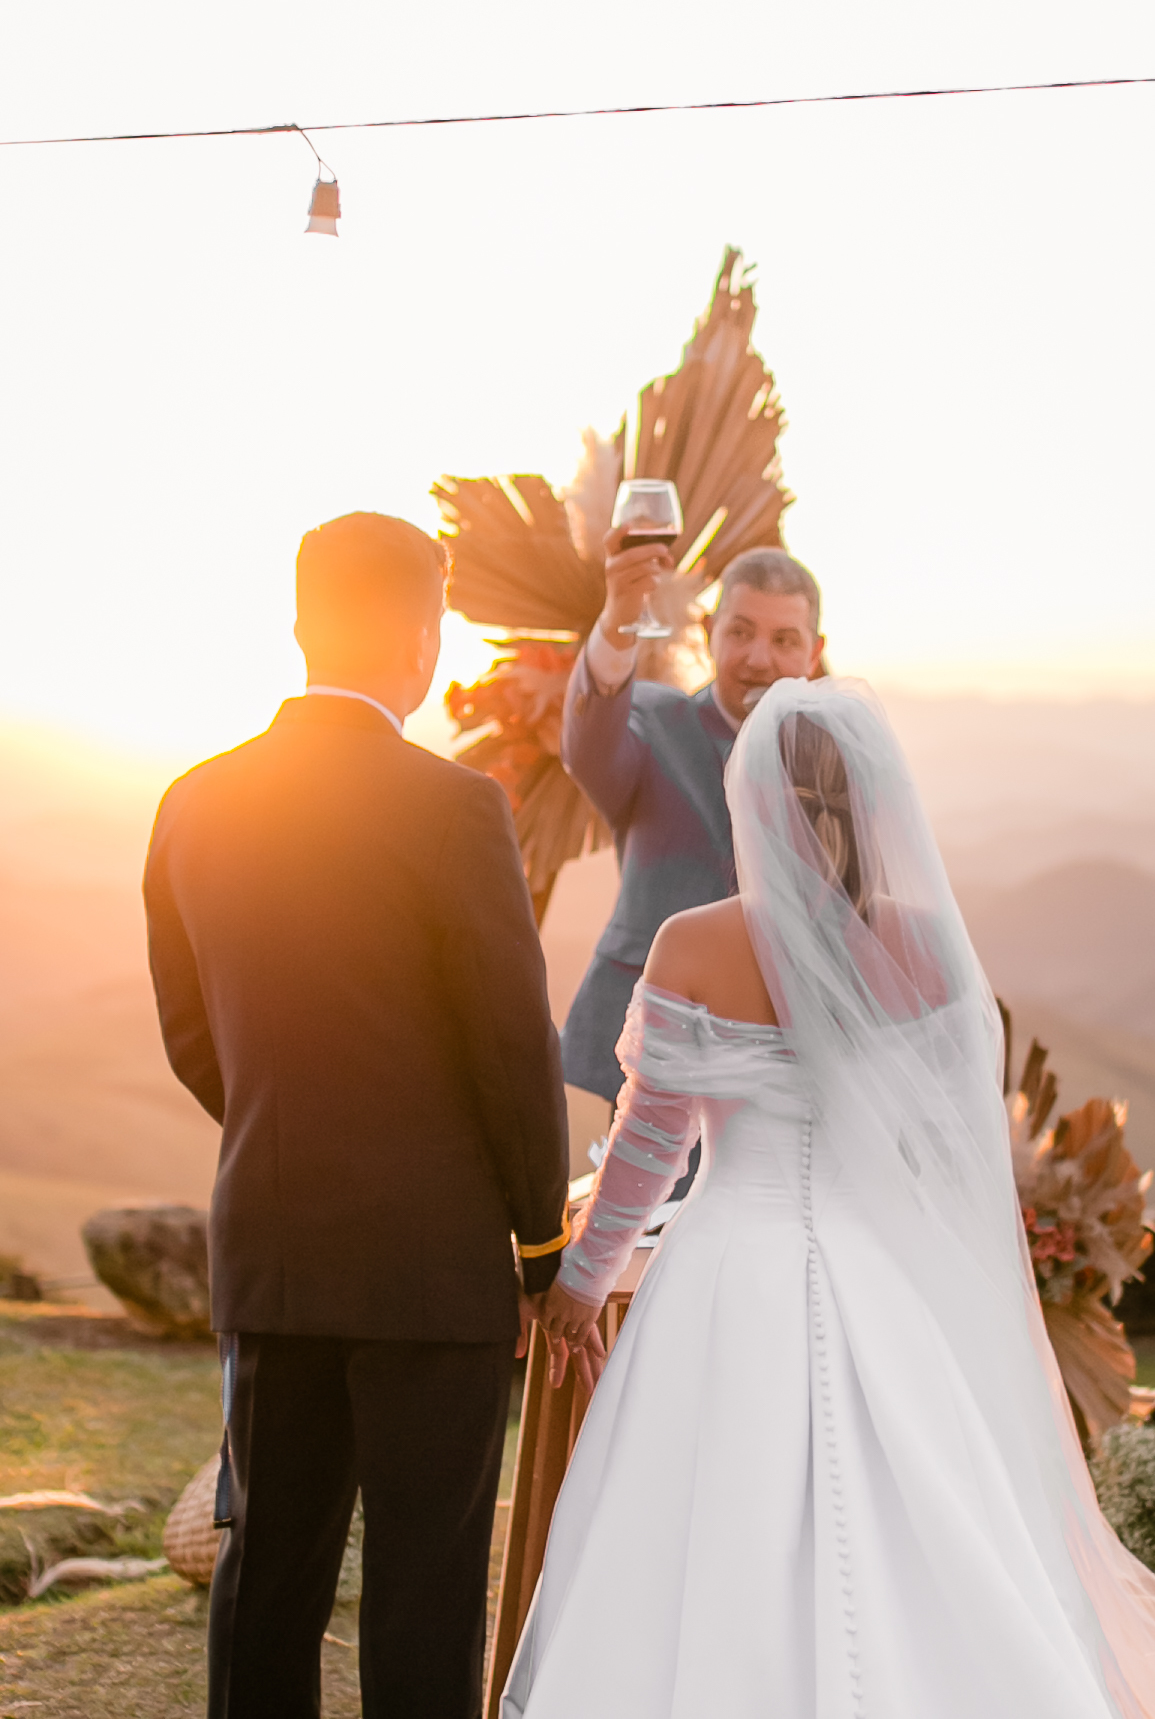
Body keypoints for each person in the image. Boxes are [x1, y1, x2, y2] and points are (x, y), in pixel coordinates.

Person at [504, 676, 1155, 1719]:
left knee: (709, 1529)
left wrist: (579, 1282)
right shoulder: (927, 953)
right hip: (880, 1276)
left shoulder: (694, 944)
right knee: (920, 1522)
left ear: (752, 803)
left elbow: (648, 1144)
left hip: (726, 1271)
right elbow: (941, 1155)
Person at [144, 512, 582, 1719]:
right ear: (423, 635)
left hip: (271, 1254)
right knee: (422, 1581)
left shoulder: (192, 801)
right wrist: (541, 1239)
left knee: (269, 1566)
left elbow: (195, 1036)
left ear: (298, 624)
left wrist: (288, 1130)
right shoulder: (454, 806)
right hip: (430, 1273)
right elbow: (510, 1041)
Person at [559, 534, 825, 1123]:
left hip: (793, 1063)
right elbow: (587, 750)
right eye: (740, 632)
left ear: (815, 650)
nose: (758, 658)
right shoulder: (654, 724)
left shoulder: (837, 761)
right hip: (658, 1055)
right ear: (709, 630)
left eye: (784, 640)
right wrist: (617, 621)